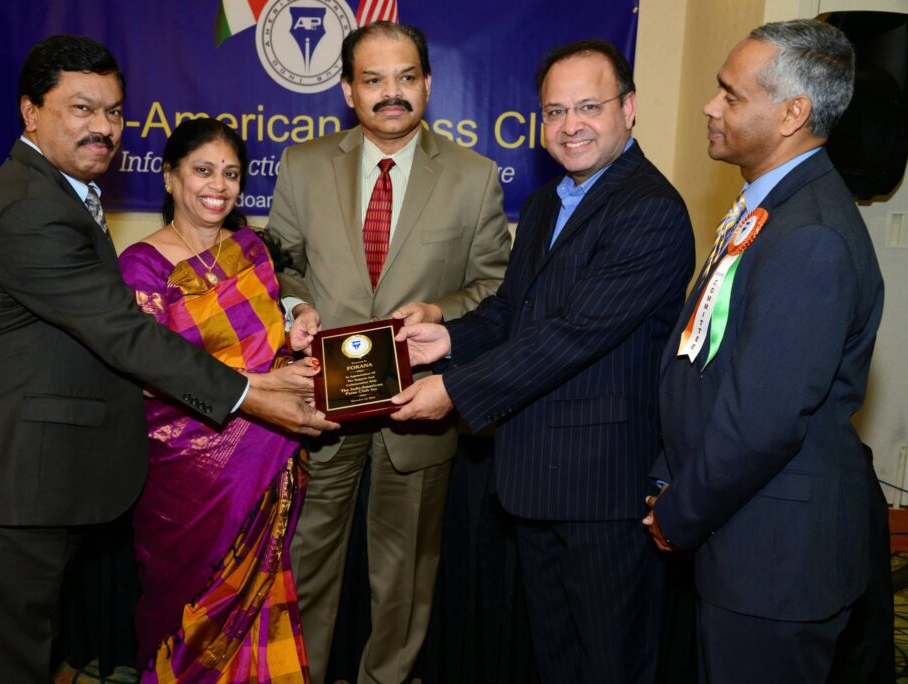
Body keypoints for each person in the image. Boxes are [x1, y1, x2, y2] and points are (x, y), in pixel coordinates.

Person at [0, 35, 335, 684]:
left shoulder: (61, 194)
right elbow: (126, 335)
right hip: (16, 482)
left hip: (47, 478)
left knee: (31, 655)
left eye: (115, 112)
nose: (103, 127)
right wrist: (254, 392)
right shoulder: (31, 209)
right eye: (82, 108)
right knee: (10, 663)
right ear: (30, 111)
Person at [392, 39, 694, 684]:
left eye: (589, 107)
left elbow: (574, 333)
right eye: (555, 112)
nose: (569, 125)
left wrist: (454, 388)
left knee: (611, 663)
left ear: (628, 109)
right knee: (555, 659)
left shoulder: (650, 209)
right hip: (535, 476)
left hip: (604, 485)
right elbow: (513, 310)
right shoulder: (544, 203)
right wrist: (446, 337)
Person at [265, 21, 511, 684]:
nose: (391, 92)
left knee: (405, 575)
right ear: (349, 90)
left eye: (406, 77)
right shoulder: (303, 165)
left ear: (428, 84)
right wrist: (296, 307)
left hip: (416, 399)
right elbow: (280, 262)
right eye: (373, 79)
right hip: (323, 397)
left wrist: (438, 311)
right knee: (306, 558)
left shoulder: (474, 176)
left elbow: (495, 286)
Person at [642, 19, 884, 683]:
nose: (709, 106)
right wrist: (671, 476)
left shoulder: (810, 237)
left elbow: (763, 420)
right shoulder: (771, 206)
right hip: (735, 527)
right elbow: (703, 358)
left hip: (774, 559)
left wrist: (680, 512)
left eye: (731, 95)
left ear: (792, 114)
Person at [118, 118, 318, 681]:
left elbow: (270, 342)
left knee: (262, 596)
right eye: (203, 170)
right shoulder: (141, 265)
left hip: (264, 457)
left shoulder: (250, 248)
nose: (219, 186)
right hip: (187, 475)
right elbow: (147, 375)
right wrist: (263, 388)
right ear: (169, 176)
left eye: (231, 174)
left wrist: (298, 323)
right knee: (184, 605)